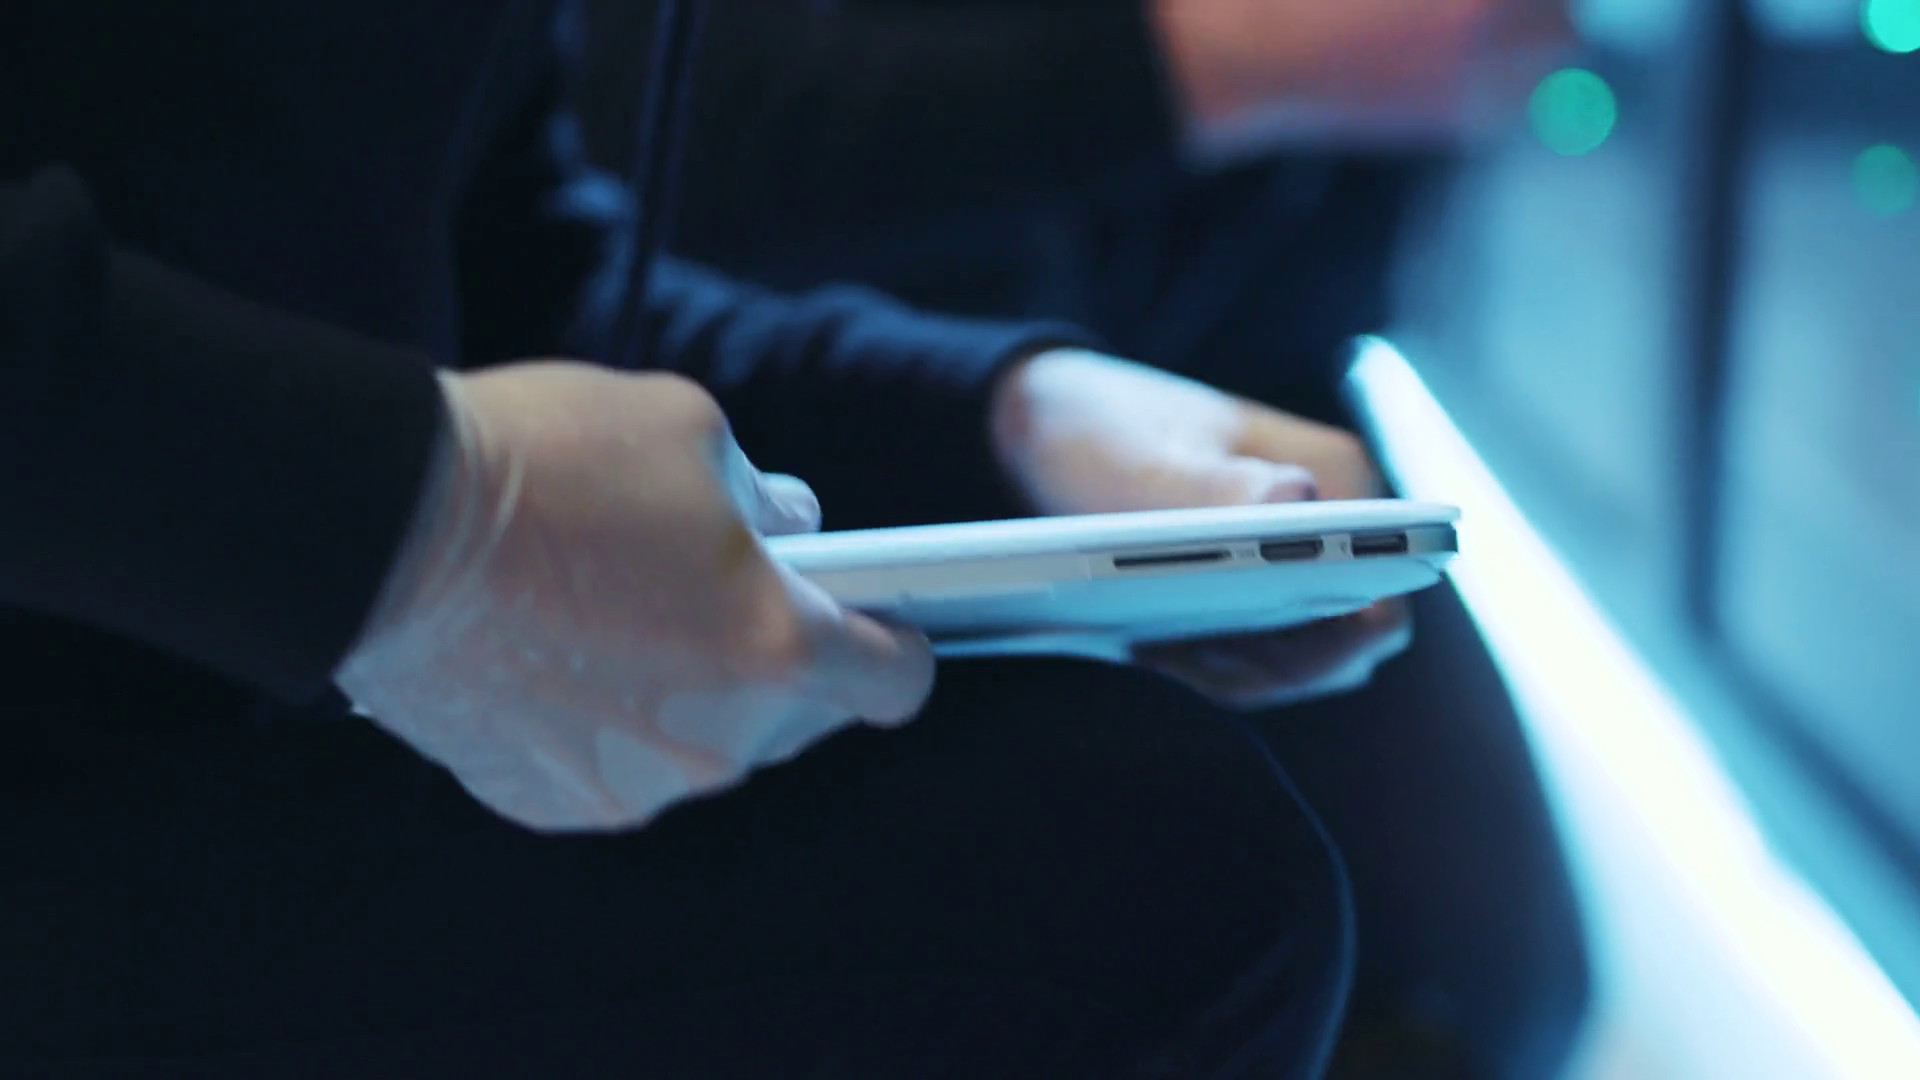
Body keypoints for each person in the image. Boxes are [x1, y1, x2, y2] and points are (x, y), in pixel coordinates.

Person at [0, 0, 1423, 1075]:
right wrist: (396, 515)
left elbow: (507, 268)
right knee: (1148, 876)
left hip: (194, 684)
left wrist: (1007, 420)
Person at [579, 3, 1591, 1077]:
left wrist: (1033, 406)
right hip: (805, 398)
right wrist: (1226, 62)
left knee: (1494, 985)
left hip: (1193, 372)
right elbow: (629, 141)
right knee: (1194, 907)